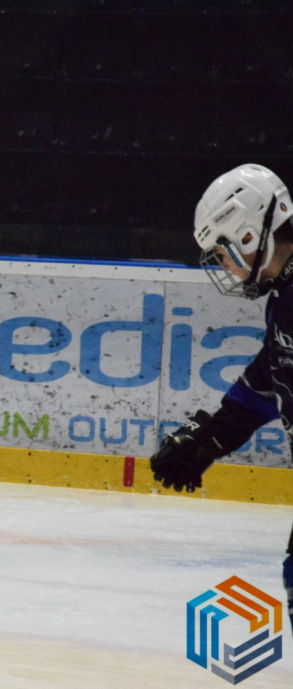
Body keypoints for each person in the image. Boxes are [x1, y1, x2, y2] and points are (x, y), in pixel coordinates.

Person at [149, 163, 293, 638]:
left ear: (251, 236)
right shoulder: (285, 299)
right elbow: (272, 375)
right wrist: (213, 438)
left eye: (225, 253)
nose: (226, 267)